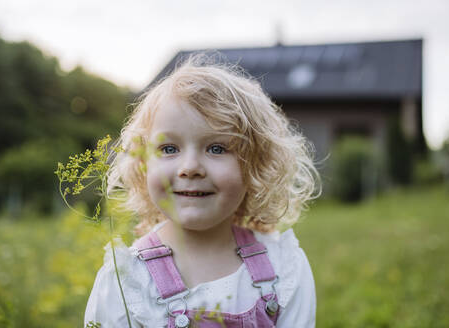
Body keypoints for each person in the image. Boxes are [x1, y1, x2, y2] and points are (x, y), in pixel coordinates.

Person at [84, 54, 321, 327]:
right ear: (143, 164)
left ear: (256, 164)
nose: (190, 168)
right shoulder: (128, 281)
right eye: (169, 148)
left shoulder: (283, 267)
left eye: (216, 148)